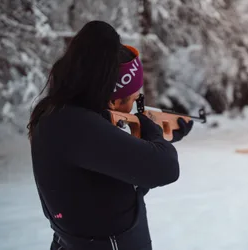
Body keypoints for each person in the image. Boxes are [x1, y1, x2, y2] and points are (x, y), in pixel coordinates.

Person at [27, 20, 193, 250]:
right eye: (134, 100)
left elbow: (121, 183)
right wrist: (153, 134)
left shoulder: (60, 116)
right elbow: (165, 169)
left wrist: (158, 137)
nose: (135, 107)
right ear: (112, 99)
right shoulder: (74, 126)